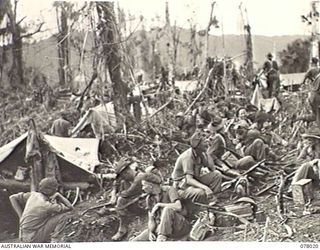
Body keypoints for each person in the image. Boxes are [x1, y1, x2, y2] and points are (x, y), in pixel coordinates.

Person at [9, 177, 73, 243]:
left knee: (48, 216)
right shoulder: (47, 206)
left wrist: (21, 216)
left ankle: (45, 237)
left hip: (22, 235)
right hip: (32, 238)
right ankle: (55, 241)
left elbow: (12, 197)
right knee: (63, 216)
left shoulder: (33, 195)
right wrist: (58, 195)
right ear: (55, 189)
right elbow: (70, 207)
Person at [97, 158, 147, 241]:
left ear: (127, 172)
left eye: (123, 175)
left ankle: (122, 228)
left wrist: (118, 196)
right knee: (123, 186)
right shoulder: (126, 180)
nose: (123, 178)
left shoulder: (140, 177)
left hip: (144, 204)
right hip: (133, 202)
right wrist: (113, 195)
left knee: (121, 200)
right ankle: (114, 209)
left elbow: (129, 192)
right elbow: (116, 183)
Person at [131, 173, 190, 241]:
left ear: (150, 186)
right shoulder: (149, 199)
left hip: (179, 225)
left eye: (143, 185)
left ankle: (162, 238)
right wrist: (151, 232)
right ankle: (161, 235)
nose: (142, 188)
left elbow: (178, 206)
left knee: (167, 209)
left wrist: (159, 204)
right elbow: (151, 219)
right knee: (136, 241)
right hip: (161, 227)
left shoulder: (169, 189)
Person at [171, 132, 222, 204]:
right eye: (204, 142)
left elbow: (212, 168)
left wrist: (207, 154)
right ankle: (202, 204)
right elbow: (189, 180)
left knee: (217, 175)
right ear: (198, 145)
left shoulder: (201, 153)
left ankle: (214, 199)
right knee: (201, 192)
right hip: (182, 187)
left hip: (194, 180)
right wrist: (206, 188)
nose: (207, 143)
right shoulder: (187, 157)